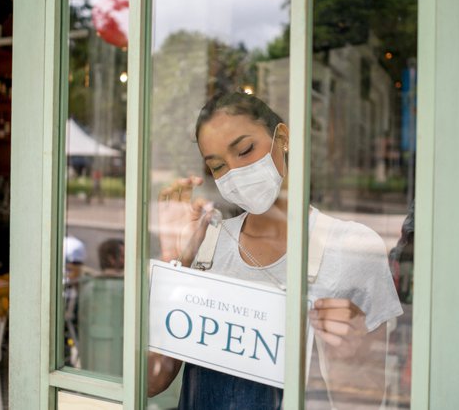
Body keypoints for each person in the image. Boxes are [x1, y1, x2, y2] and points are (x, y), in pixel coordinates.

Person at [148, 92, 403, 409]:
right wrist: (175, 262)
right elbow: (150, 382)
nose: (235, 172)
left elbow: (371, 398)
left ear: (282, 138)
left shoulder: (351, 246)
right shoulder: (206, 246)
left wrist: (352, 354)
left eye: (244, 150)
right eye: (218, 166)